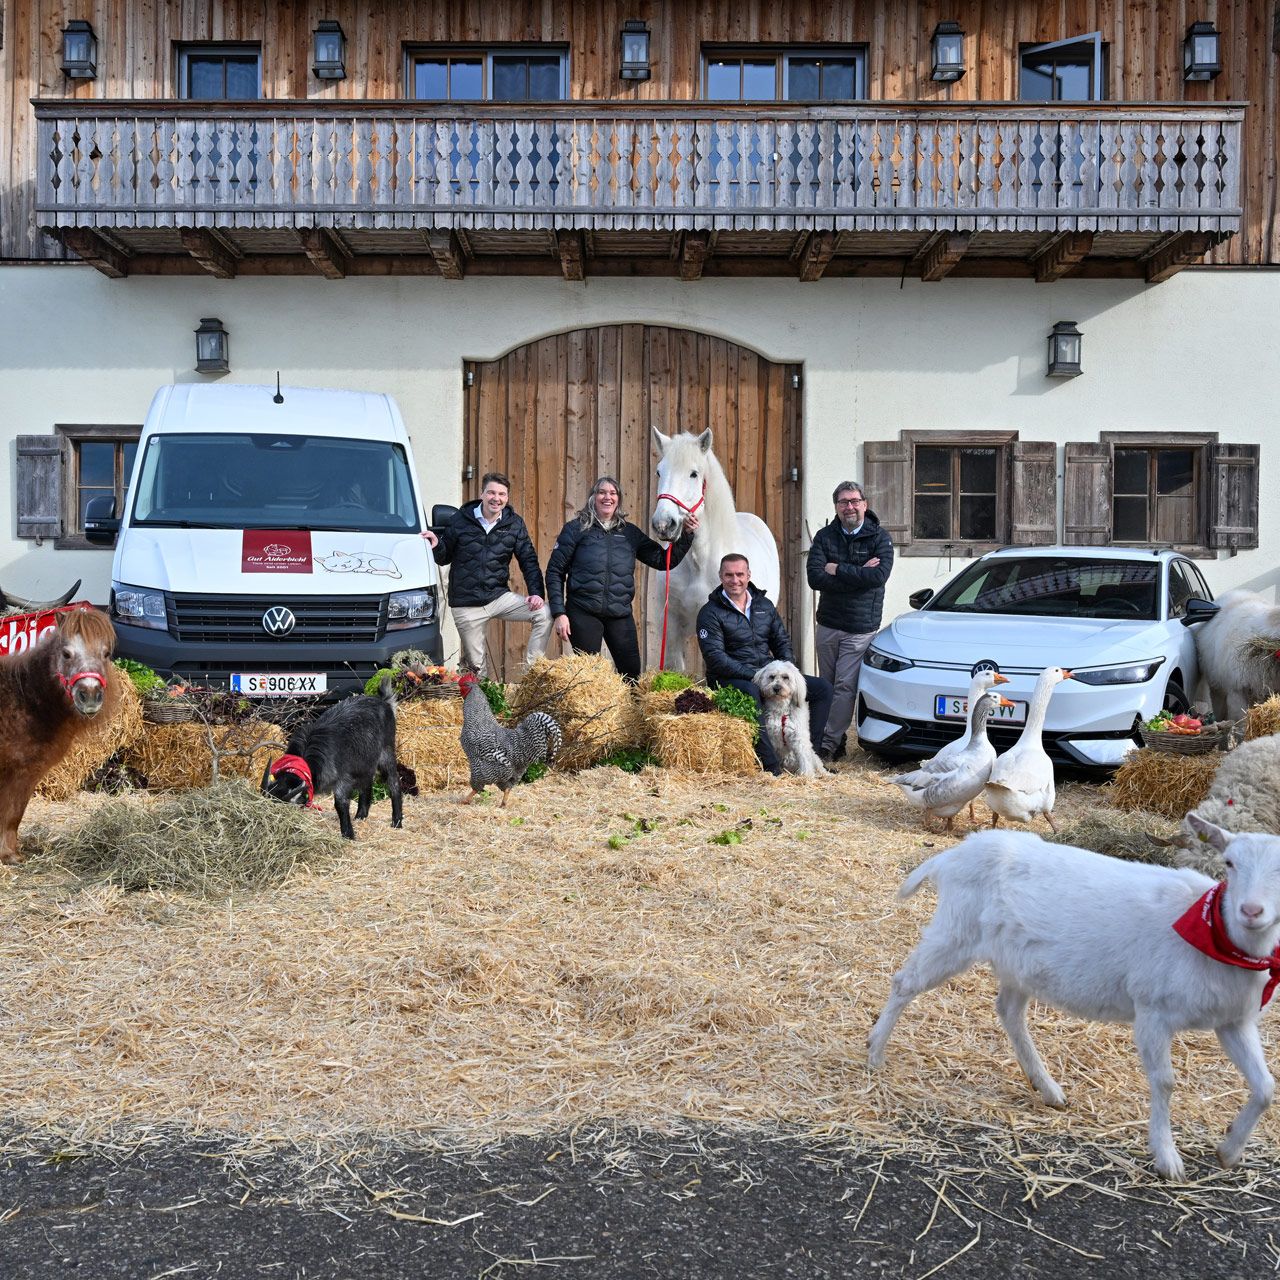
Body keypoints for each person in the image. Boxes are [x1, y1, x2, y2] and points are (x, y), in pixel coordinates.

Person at [545, 476, 698, 683]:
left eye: (613, 493)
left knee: (631, 674)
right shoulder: (576, 529)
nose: (607, 497)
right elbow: (555, 571)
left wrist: (686, 535)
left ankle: (629, 715)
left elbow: (663, 560)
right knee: (589, 678)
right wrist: (559, 613)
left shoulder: (629, 533)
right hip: (583, 612)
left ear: (618, 499)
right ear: (593, 497)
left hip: (619, 614)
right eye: (602, 492)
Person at [697, 553, 833, 776]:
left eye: (740, 574)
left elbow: (781, 641)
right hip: (732, 677)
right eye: (729, 575)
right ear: (720, 576)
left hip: (770, 675)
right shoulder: (710, 613)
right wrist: (756, 676)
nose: (735, 580)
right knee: (752, 692)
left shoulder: (764, 605)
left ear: (748, 575)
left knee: (822, 689)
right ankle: (771, 767)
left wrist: (788, 671)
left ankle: (808, 758)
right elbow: (716, 659)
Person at [806, 480, 894, 763]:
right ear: (836, 507)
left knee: (845, 687)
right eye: (844, 502)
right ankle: (836, 738)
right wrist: (857, 575)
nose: (850, 507)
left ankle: (825, 746)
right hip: (829, 624)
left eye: (854, 501)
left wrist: (838, 570)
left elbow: (877, 579)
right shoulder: (824, 537)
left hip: (860, 628)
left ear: (864, 505)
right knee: (825, 685)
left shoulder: (880, 538)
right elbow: (815, 578)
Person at [431, 472, 550, 680]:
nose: (497, 498)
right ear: (482, 494)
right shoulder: (461, 519)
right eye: (492, 492)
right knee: (478, 670)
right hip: (466, 604)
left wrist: (536, 593)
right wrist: (436, 545)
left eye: (502, 494)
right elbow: (444, 557)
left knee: (544, 614)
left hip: (498, 597)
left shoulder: (514, 524)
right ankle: (485, 707)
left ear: (507, 498)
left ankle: (531, 677)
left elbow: (529, 560)